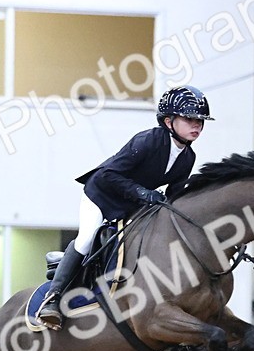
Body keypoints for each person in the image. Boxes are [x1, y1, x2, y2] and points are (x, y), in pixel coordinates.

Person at [36, 85, 214, 329]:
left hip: (133, 204)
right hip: (102, 194)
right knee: (87, 240)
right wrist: (143, 193)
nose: (197, 125)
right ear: (169, 121)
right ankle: (52, 299)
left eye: (200, 121)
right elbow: (109, 174)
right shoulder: (148, 140)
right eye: (190, 119)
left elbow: (174, 197)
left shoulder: (188, 157)